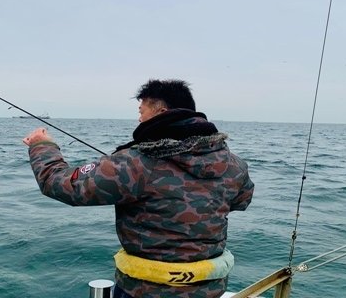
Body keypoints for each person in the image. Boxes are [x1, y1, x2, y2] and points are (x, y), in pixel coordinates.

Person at [23, 79, 254, 298]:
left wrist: (42, 145)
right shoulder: (235, 165)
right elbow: (241, 200)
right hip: (209, 291)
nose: (139, 119)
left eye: (141, 112)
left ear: (161, 112)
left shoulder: (134, 163)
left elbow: (59, 183)